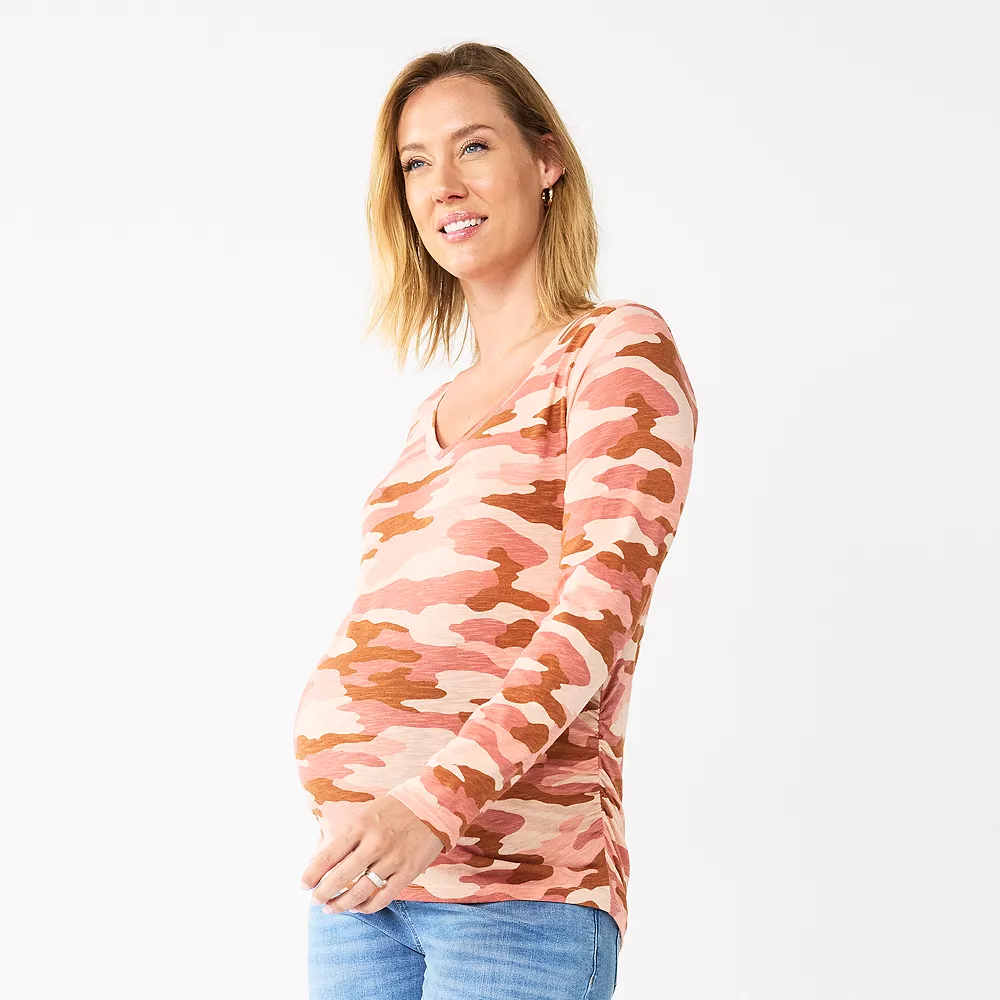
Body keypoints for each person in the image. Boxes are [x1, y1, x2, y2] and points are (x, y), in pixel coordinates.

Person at [293, 41, 699, 1000]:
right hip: (363, 894)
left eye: (473, 146)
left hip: (519, 900)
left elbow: (595, 616)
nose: (443, 184)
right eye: (415, 162)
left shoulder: (613, 350)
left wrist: (430, 807)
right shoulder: (428, 413)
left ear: (545, 159)